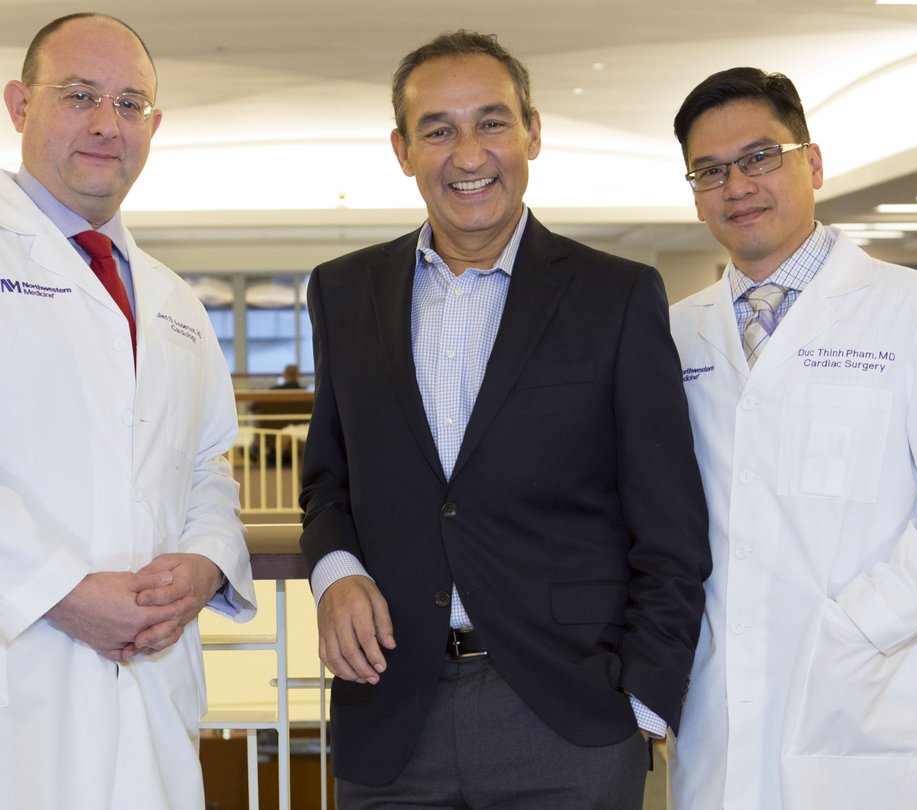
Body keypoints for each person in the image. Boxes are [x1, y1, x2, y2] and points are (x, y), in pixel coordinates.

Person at [0, 13, 255, 810]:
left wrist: (205, 564)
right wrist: (63, 592)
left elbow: (207, 464)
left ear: (154, 126)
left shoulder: (172, 301)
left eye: (129, 104)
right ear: (19, 105)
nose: (106, 123)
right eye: (79, 95)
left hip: (143, 683)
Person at [299, 30, 711, 808]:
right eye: (438, 130)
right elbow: (328, 480)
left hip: (568, 718)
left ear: (533, 132)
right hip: (390, 711)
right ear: (402, 150)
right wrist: (336, 572)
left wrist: (645, 703)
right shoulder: (343, 292)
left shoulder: (616, 296)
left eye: (491, 122)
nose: (468, 154)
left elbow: (669, 522)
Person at [666, 66, 917, 809]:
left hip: (861, 686)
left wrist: (867, 623)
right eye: (711, 170)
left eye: (761, 157)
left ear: (814, 163)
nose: (738, 185)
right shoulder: (676, 331)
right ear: (696, 194)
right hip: (714, 697)